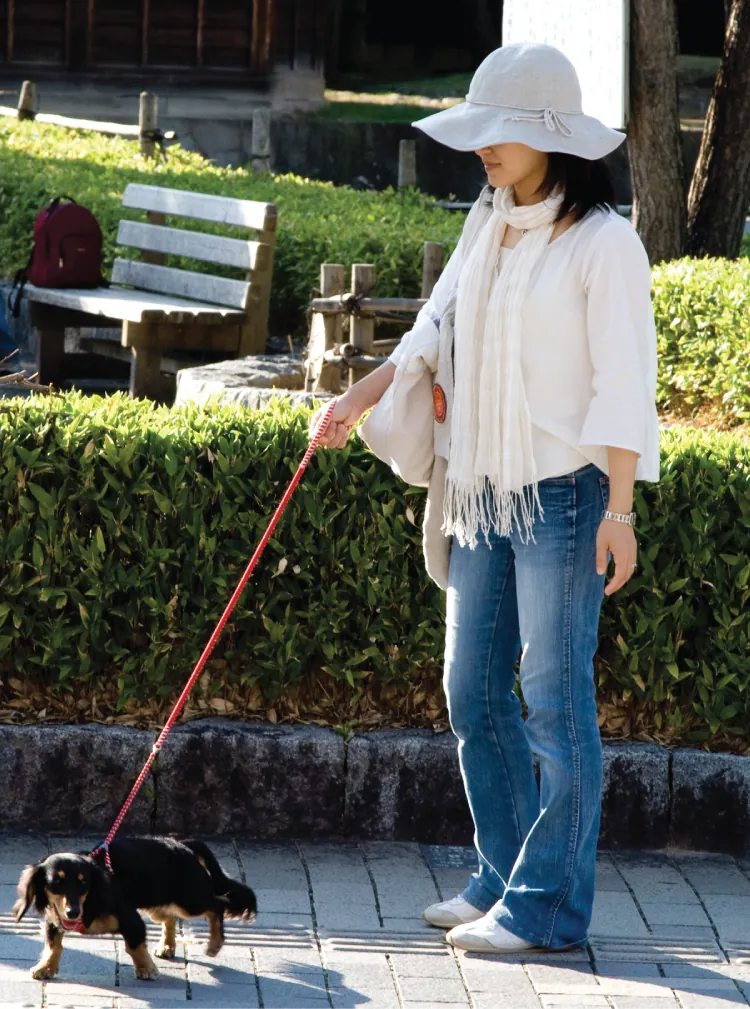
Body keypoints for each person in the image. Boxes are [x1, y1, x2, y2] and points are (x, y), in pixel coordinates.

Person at [311, 42, 659, 953]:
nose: (483, 152)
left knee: (553, 699)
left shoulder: (604, 243)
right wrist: (361, 394)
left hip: (568, 496)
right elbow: (436, 324)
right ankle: (503, 877)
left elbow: (625, 383)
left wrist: (620, 509)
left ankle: (548, 906)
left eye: (500, 135)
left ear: (555, 139)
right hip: (481, 488)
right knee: (471, 688)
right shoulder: (489, 220)